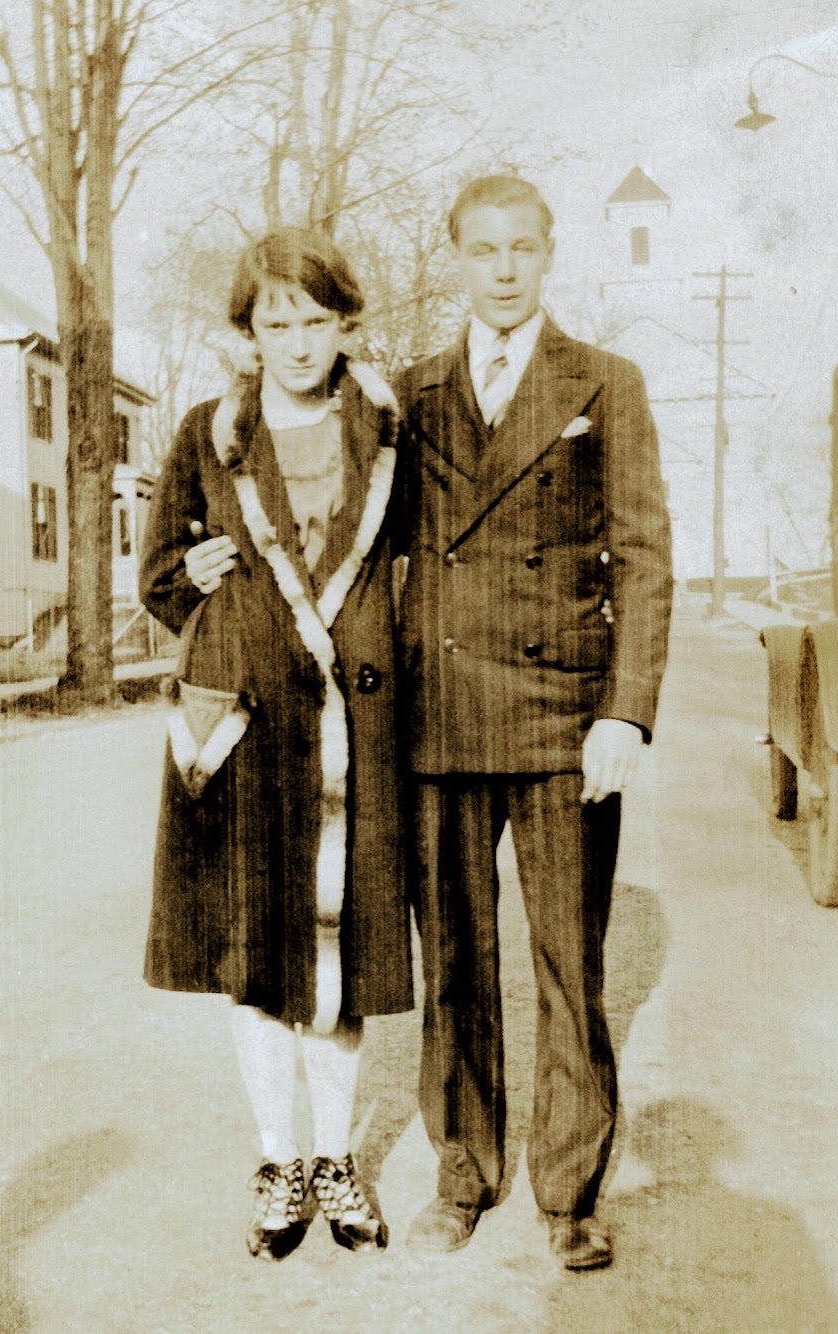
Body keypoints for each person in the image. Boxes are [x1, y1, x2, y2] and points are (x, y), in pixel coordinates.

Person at [396, 174, 673, 1270]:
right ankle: (462, 1173)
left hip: (565, 723)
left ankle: (570, 1191)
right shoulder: (411, 395)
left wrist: (628, 712)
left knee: (569, 963)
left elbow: (646, 557)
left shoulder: (605, 382)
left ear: (549, 252)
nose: (503, 267)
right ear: (455, 258)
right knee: (455, 960)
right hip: (443, 717)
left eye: (522, 247)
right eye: (482, 249)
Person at [139, 228, 412, 1262]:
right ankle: (277, 1160)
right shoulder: (209, 431)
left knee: (344, 960)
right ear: (248, 334)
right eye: (274, 322)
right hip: (249, 727)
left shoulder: (390, 428)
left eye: (314, 319)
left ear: (348, 321)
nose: (296, 342)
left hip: (360, 726)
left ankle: (336, 1159)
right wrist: (193, 570)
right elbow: (158, 576)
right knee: (259, 960)